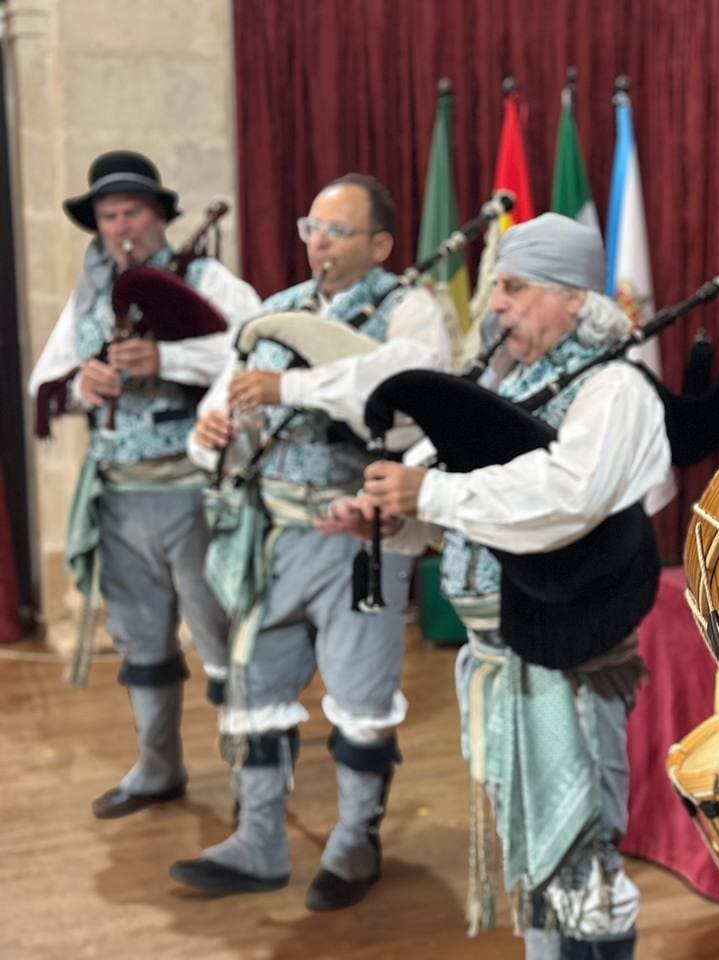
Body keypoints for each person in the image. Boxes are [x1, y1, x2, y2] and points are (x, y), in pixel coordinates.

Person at [322, 213, 670, 959]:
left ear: (574, 297)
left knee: (582, 865)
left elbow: (565, 497)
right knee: (536, 857)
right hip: (496, 662)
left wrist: (431, 493)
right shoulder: (507, 382)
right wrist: (396, 518)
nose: (495, 304)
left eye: (513, 287)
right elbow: (466, 503)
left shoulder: (615, 388)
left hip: (567, 666)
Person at [168, 173, 452, 911]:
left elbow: (400, 384)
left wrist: (288, 390)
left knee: (360, 698)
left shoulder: (409, 310)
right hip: (274, 537)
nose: (318, 243)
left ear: (380, 245)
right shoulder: (275, 313)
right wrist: (211, 435)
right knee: (255, 687)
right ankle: (258, 841)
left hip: (361, 540)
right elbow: (228, 398)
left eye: (337, 231)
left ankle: (355, 841)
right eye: (311, 228)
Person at [27, 149, 261, 820]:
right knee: (140, 639)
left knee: (220, 637)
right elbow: (45, 380)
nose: (121, 228)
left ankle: (254, 777)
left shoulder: (208, 279)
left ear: (159, 215)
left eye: (132, 212)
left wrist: (168, 357)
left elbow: (256, 351)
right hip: (119, 496)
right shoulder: (91, 290)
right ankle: (158, 767)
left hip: (196, 493)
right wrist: (84, 382)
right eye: (108, 217)